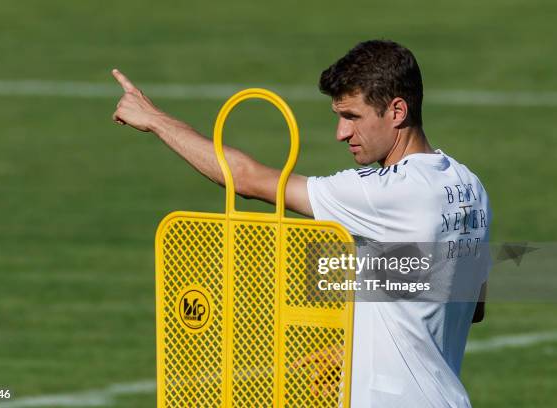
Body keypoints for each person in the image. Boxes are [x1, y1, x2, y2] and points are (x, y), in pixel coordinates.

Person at [111, 39, 491, 407]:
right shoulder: (468, 186)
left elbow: (245, 179)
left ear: (396, 111)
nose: (342, 133)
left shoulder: (388, 193)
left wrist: (154, 119)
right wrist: (362, 351)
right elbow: (470, 306)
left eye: (352, 117)